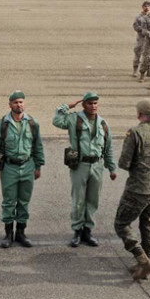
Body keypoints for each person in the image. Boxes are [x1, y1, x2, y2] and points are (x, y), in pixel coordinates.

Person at [52, 91, 116, 248]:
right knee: (78, 200)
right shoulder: (74, 119)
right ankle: (77, 231)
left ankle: (88, 230)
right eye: (90, 103)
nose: (93, 106)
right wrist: (66, 106)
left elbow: (108, 147)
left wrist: (111, 167)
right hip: (79, 164)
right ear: (83, 105)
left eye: (95, 103)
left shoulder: (103, 124)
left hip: (97, 165)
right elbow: (56, 120)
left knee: (93, 200)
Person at [115, 98, 150, 280]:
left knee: (122, 224)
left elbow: (124, 163)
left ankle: (142, 259)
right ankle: (145, 262)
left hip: (139, 188)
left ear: (139, 114)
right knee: (147, 224)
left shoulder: (135, 133)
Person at [0, 91, 45, 248]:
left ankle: (21, 233)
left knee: (24, 201)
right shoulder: (2, 124)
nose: (19, 105)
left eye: (21, 102)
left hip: (27, 166)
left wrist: (38, 166)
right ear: (10, 104)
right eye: (15, 102)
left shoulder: (32, 123)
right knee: (9, 201)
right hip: (9, 167)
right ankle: (8, 234)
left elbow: (37, 146)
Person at [132, 1, 150, 77]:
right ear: (142, 7)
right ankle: (135, 70)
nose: (147, 7)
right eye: (145, 6)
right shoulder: (138, 17)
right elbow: (135, 26)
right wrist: (143, 30)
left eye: (148, 6)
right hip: (141, 38)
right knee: (137, 54)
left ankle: (148, 71)